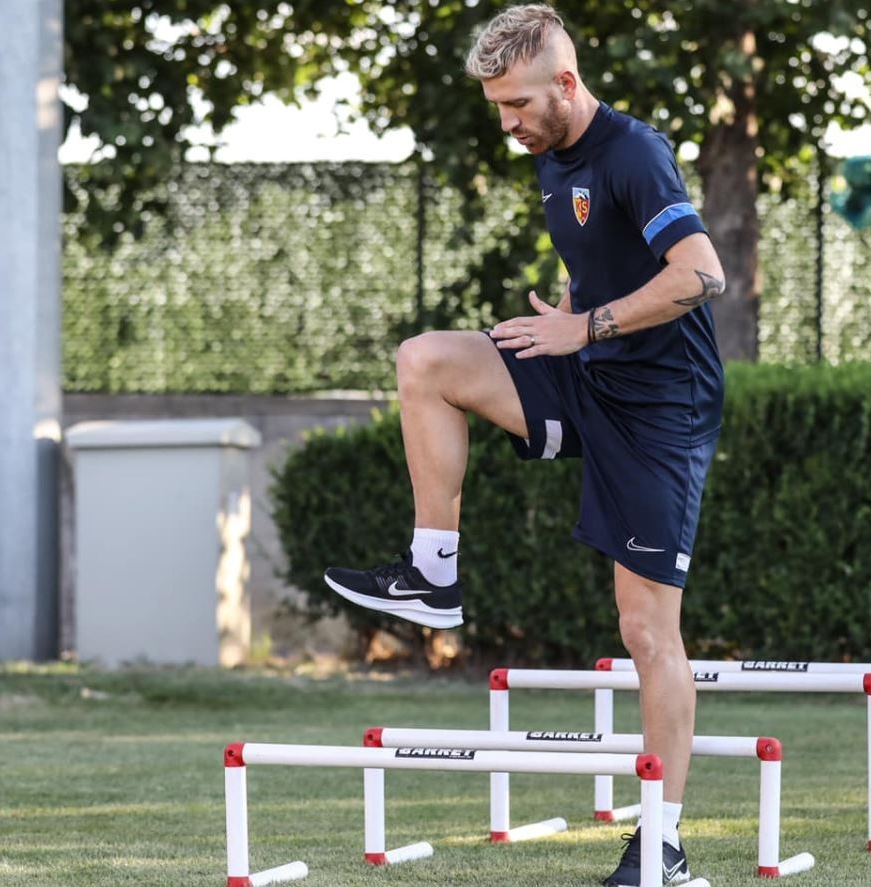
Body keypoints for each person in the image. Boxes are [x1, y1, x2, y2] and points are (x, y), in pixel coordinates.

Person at [325, 4, 725, 884]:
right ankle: (433, 572)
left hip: (662, 410)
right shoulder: (550, 154)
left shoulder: (633, 152)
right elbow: (605, 260)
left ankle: (661, 843)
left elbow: (702, 273)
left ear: (567, 84)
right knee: (426, 360)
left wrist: (588, 325)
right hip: (589, 376)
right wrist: (575, 316)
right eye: (497, 106)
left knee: (646, 630)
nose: (507, 123)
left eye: (517, 104)